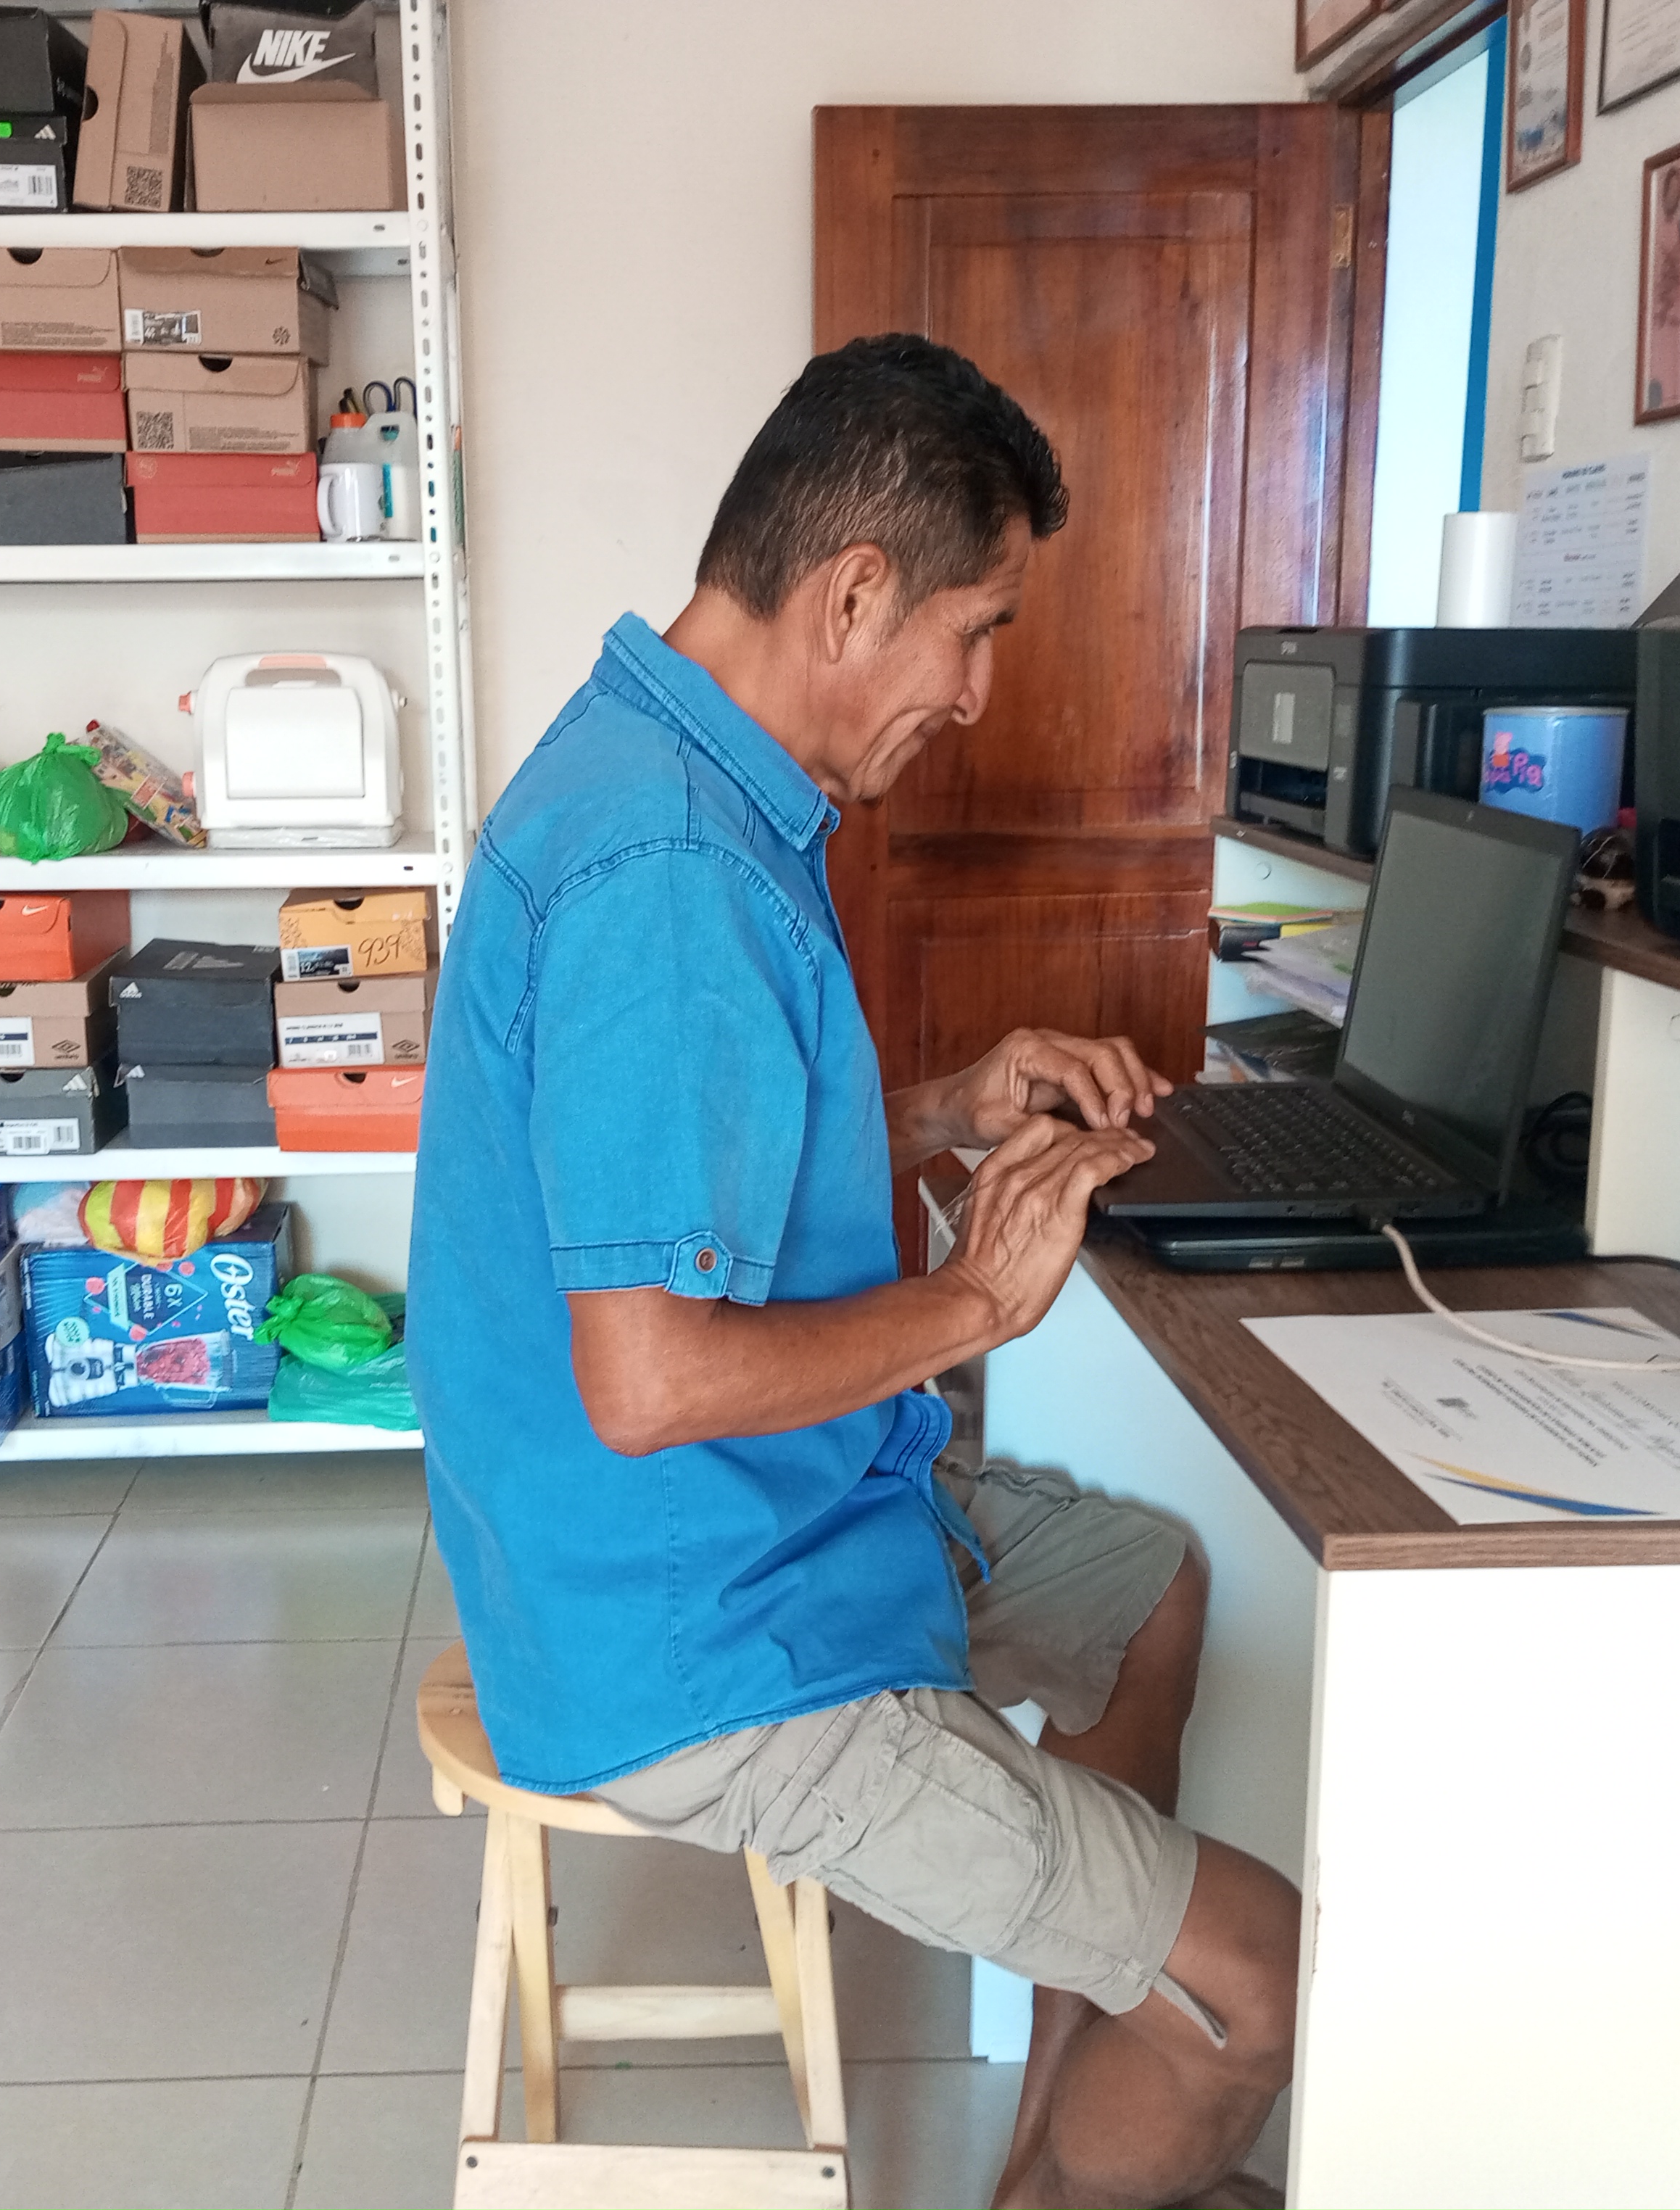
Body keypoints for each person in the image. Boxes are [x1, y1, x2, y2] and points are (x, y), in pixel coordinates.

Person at [407, 334, 1301, 2209]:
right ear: (854, 592)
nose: (974, 695)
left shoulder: (668, 764)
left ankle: (1071, 2087)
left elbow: (674, 1177)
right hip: (695, 1635)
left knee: (1149, 1593)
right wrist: (979, 1301)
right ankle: (1132, 2083)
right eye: (974, 634)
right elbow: (651, 1378)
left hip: (727, 1533)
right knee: (1263, 1986)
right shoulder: (671, 867)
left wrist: (947, 1109)